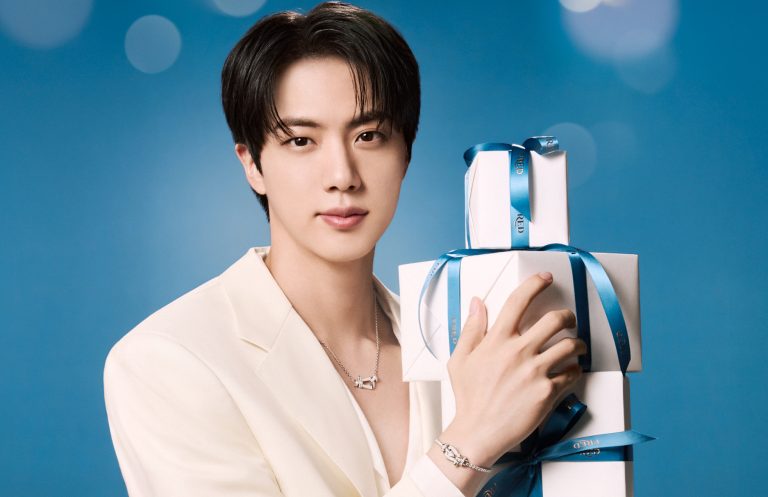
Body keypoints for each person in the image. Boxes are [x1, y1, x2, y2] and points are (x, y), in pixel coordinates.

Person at [103, 2, 586, 497]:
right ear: (252, 165)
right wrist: (468, 443)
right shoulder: (168, 360)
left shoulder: (460, 346)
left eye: (368, 136)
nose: (342, 176)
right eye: (301, 141)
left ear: (405, 154)